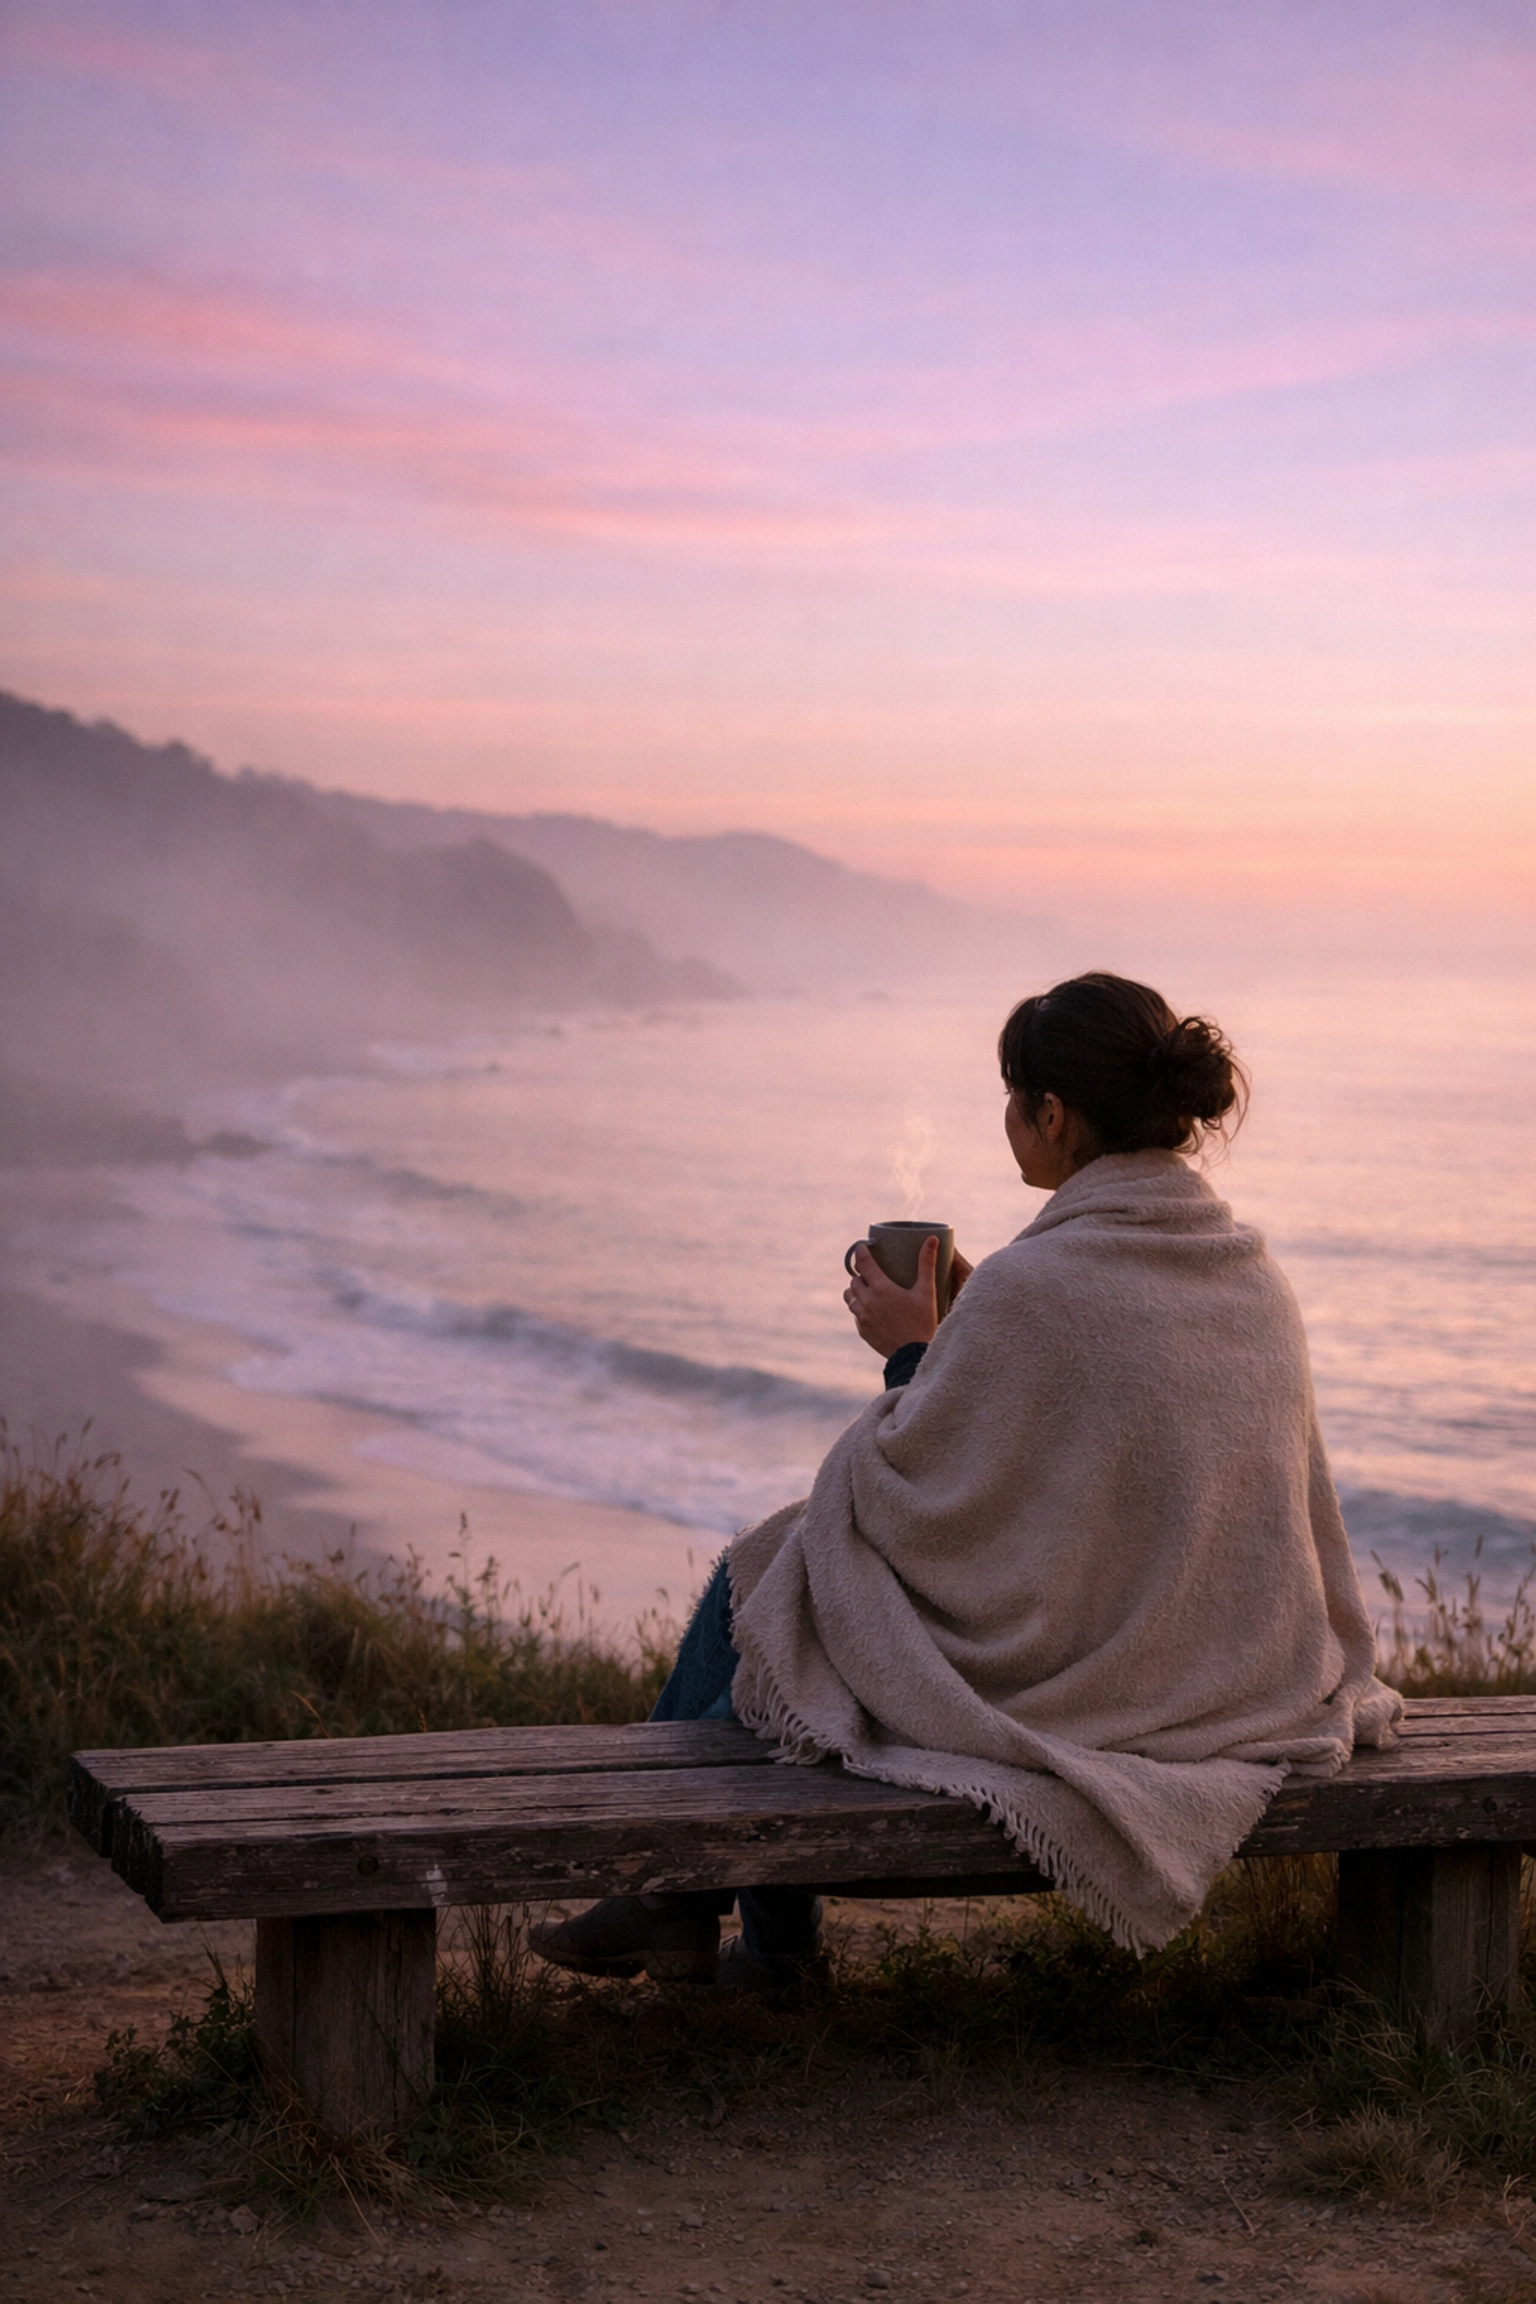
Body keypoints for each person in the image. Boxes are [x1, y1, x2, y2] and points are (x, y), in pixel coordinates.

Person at [530, 972, 1400, 1992]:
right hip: (1214, 1664)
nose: (1008, 1119)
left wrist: (910, 1351)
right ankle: (707, 1924)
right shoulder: (1246, 1271)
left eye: (1013, 1097)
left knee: (782, 1571)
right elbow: (1089, 1438)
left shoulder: (1043, 1285)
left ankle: (708, 1917)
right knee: (797, 1575)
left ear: (1052, 1114)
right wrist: (976, 1329)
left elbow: (905, 1497)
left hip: (1068, 1683)